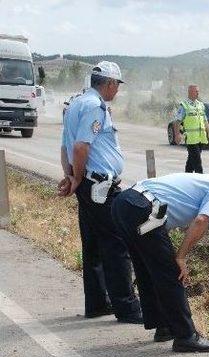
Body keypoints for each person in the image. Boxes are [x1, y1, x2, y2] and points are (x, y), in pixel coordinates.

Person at [111, 172, 209, 352]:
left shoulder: (205, 181)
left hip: (124, 203)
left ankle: (164, 326)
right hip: (143, 209)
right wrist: (181, 257)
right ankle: (186, 336)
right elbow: (202, 221)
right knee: (172, 274)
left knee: (148, 270)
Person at [57, 61, 142, 323]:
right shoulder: (95, 106)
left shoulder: (76, 104)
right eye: (117, 85)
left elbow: (65, 147)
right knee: (117, 244)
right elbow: (81, 147)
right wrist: (79, 177)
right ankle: (126, 307)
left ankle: (97, 302)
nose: (117, 91)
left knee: (93, 244)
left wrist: (71, 176)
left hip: (87, 185)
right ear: (109, 84)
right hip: (99, 186)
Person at [173, 85, 209, 174]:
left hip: (201, 138)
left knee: (191, 161)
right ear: (190, 92)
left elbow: (205, 120)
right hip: (191, 139)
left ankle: (187, 176)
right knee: (197, 162)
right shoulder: (184, 105)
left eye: (198, 91)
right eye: (196, 91)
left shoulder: (201, 105)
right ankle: (201, 180)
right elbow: (177, 121)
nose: (198, 93)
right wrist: (177, 135)